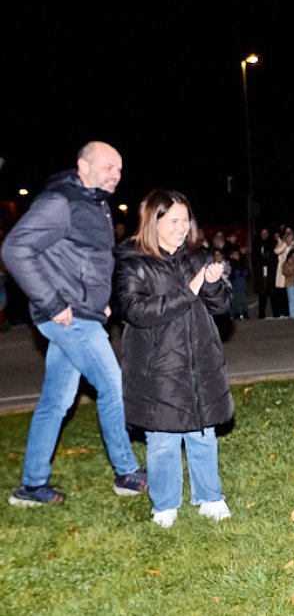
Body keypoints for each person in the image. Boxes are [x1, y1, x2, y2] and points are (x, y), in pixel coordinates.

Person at [1, 141, 147, 506]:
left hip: (85, 313)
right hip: (68, 317)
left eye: (120, 169)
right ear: (83, 166)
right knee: (113, 384)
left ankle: (31, 486)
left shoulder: (95, 203)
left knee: (56, 401)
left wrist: (104, 303)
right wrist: (52, 302)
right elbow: (14, 250)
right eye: (109, 166)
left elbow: (89, 261)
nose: (116, 174)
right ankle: (126, 472)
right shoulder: (60, 202)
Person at [114, 189, 233, 528]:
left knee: (202, 433)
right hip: (157, 366)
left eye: (186, 220)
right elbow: (137, 311)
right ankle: (165, 504)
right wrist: (190, 289)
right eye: (174, 221)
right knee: (163, 438)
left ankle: (210, 497)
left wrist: (211, 283)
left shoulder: (196, 258)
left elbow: (222, 305)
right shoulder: (133, 262)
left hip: (199, 360)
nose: (183, 228)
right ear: (154, 222)